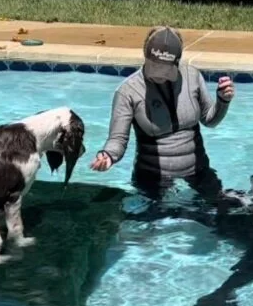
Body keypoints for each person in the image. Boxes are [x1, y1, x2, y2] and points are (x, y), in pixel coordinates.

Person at [90, 25, 236, 207]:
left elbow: (210, 120)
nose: (159, 75)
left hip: (198, 172)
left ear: (176, 63)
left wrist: (223, 101)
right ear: (145, 57)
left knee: (222, 212)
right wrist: (108, 155)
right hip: (153, 178)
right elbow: (118, 139)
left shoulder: (192, 77)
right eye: (154, 67)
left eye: (165, 70)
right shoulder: (128, 91)